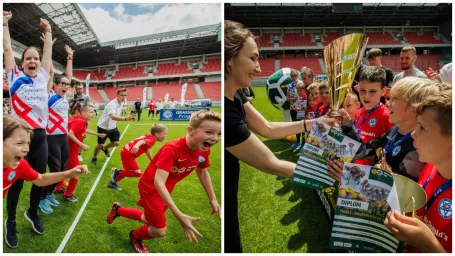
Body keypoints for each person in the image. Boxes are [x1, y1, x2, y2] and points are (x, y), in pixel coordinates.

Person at [224, 20, 335, 253]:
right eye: (252, 58)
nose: (258, 68)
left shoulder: (237, 96)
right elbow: (272, 164)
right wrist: (330, 177)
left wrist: (315, 123)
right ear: (229, 59)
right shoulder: (226, 115)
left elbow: (267, 128)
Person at [106, 111, 222, 253]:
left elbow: (202, 171)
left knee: (149, 219)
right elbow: (158, 182)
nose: (215, 138)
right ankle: (135, 236)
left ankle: (118, 210)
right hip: (151, 187)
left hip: (166, 188)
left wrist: (213, 199)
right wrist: (179, 215)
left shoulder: (203, 149)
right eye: (209, 132)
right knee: (159, 229)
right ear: (191, 130)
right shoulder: (172, 149)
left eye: (219, 134)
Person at [328, 77, 447, 183]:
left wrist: (351, 179)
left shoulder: (417, 147)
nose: (388, 103)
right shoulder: (395, 130)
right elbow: (363, 151)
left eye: (393, 99)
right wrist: (347, 124)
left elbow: (400, 197)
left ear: (412, 107)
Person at [3, 115, 88, 248]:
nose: (27, 149)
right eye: (20, 143)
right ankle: (11, 222)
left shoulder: (20, 165)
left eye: (28, 143)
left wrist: (70, 173)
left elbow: (40, 179)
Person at [4, 10, 53, 240]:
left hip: (41, 136)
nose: (33, 61)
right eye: (28, 58)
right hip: (20, 137)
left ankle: (33, 212)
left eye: (35, 58)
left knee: (38, 178)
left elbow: (47, 57)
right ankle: (10, 221)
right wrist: (4, 23)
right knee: (15, 184)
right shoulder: (14, 77)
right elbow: (6, 49)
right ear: (22, 63)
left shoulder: (43, 76)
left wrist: (49, 31)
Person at [384, 89, 452, 253]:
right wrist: (392, 182)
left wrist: (429, 245)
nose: (413, 134)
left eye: (422, 128)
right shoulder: (431, 166)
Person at [40, 44, 74, 214]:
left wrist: (70, 57)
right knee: (55, 171)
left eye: (68, 85)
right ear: (55, 85)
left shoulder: (64, 96)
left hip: (63, 138)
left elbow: (69, 75)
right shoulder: (49, 95)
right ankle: (42, 197)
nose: (66, 86)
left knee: (64, 171)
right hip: (51, 137)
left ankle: (49, 193)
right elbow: (49, 72)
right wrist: (49, 48)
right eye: (63, 84)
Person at [352, 66, 394, 166]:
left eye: (372, 91)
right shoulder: (358, 112)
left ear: (383, 91)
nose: (366, 96)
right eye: (362, 90)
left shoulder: (387, 116)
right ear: (357, 88)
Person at [65, 103, 106, 202]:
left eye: (93, 112)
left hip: (68, 149)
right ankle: (68, 194)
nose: (93, 114)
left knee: (64, 169)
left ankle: (58, 188)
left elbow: (83, 130)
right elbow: (70, 134)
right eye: (91, 112)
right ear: (83, 112)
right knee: (77, 172)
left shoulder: (79, 120)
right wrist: (82, 145)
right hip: (71, 151)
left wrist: (97, 134)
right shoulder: (80, 121)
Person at [108, 124, 168, 190]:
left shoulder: (150, 136)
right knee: (138, 173)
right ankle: (117, 172)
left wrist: (151, 159)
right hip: (128, 154)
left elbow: (146, 149)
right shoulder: (152, 140)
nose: (165, 136)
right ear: (157, 135)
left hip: (126, 151)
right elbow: (142, 141)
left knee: (128, 171)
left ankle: (112, 183)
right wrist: (137, 145)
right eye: (164, 134)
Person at [91, 88, 135, 165]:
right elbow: (113, 117)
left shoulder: (121, 102)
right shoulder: (112, 104)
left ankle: (104, 148)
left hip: (112, 126)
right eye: (122, 95)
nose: (124, 97)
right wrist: (126, 118)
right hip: (103, 127)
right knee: (100, 144)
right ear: (117, 95)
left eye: (125, 95)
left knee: (116, 143)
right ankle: (94, 157)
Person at [287, 69, 301, 150]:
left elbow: (303, 96)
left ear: (297, 76)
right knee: (295, 125)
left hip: (300, 108)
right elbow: (287, 97)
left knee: (302, 125)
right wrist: (291, 99)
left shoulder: (301, 83)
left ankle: (302, 143)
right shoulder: (290, 85)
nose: (294, 77)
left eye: (295, 75)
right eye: (292, 76)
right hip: (292, 108)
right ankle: (297, 142)